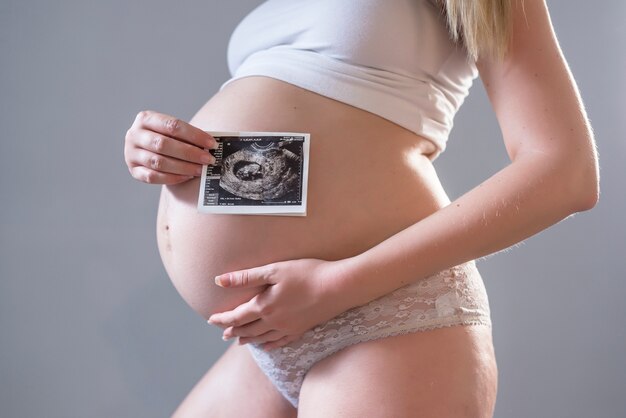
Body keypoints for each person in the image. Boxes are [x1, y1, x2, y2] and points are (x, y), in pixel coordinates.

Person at [123, 0, 599, 416]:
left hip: (384, 313)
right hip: (272, 331)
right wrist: (155, 149)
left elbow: (566, 170)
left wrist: (338, 284)